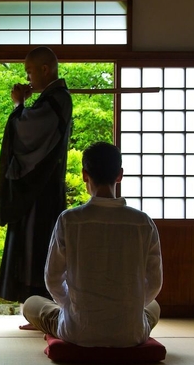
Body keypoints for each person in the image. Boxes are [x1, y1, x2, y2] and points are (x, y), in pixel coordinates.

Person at [22, 142, 162, 347]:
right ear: (120, 174)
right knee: (154, 306)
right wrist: (129, 308)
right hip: (130, 333)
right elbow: (155, 282)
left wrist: (70, 306)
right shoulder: (142, 222)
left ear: (84, 175)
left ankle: (69, 316)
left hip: (78, 331)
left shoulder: (69, 220)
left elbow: (52, 279)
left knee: (31, 304)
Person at [0, 46, 73, 305]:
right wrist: (24, 106)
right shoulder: (53, 98)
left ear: (44, 69)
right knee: (33, 246)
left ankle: (41, 307)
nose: (27, 77)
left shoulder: (57, 98)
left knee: (38, 246)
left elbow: (26, 131)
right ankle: (36, 307)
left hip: (42, 189)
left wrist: (19, 105)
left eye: (29, 71)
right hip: (39, 187)